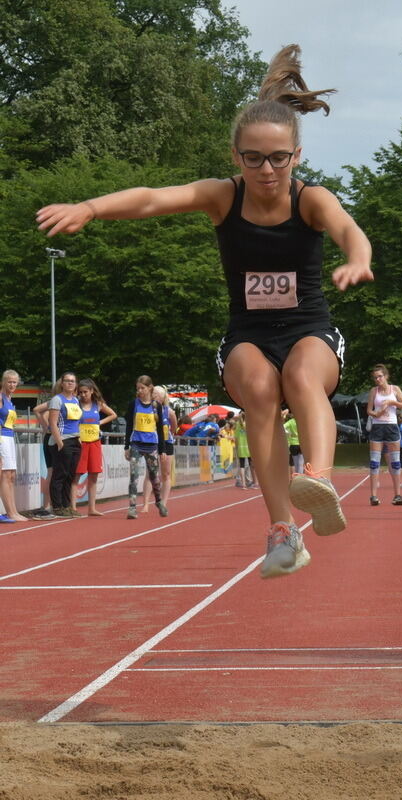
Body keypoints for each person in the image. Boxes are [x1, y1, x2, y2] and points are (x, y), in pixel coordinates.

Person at [37, 44, 373, 578]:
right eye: (253, 158)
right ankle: (283, 531)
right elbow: (153, 198)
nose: (267, 169)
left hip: (310, 328)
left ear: (297, 156)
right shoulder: (224, 197)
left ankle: (319, 479)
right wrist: (91, 207)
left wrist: (358, 259)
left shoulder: (310, 198)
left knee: (301, 375)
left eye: (279, 158)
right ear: (236, 157)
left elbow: (348, 229)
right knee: (259, 391)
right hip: (247, 333)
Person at [124, 375, 167, 520]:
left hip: (152, 446)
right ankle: (132, 507)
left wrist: (162, 450)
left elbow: (160, 429)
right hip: (136, 444)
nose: (140, 391)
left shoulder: (157, 406)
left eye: (142, 388)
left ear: (150, 388)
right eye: (138, 388)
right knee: (134, 476)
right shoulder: (133, 404)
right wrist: (126, 446)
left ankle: (159, 501)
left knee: (154, 477)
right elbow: (129, 426)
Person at [366, 364, 402, 507]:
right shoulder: (374, 391)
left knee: (395, 462)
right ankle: (373, 496)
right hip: (377, 427)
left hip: (391, 427)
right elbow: (369, 410)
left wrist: (392, 402)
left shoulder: (395, 389)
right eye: (375, 377)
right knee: (374, 463)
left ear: (386, 376)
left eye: (380, 376)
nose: (377, 379)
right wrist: (376, 413)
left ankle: (397, 495)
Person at [72, 378, 117, 516]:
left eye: (85, 392)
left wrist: (99, 423)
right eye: (80, 392)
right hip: (80, 444)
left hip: (95, 443)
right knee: (76, 475)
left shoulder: (98, 404)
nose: (83, 395)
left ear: (91, 391)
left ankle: (92, 508)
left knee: (94, 475)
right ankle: (73, 508)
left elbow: (113, 415)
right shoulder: (76, 404)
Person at [48, 372, 82, 517]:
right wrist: (60, 443)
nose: (70, 383)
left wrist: (79, 439)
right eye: (67, 381)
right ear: (62, 383)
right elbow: (52, 423)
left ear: (76, 384)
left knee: (70, 475)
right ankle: (57, 506)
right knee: (60, 474)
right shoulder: (57, 400)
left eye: (72, 381)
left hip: (75, 440)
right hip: (62, 440)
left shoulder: (76, 400)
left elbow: (78, 421)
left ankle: (66, 506)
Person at [142, 385, 177, 513]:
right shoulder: (146, 409)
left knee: (166, 474)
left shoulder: (169, 411)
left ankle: (163, 503)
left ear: (163, 398)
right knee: (150, 473)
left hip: (166, 444)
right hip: (152, 443)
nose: (154, 396)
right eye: (153, 394)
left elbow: (174, 426)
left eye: (157, 394)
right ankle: (145, 504)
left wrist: (169, 434)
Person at [0, 370, 28, 522]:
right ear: (3, 382)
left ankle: (14, 510)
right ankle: (10, 512)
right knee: (5, 475)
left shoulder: (10, 399)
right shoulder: (0, 397)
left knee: (11, 475)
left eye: (14, 382)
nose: (12, 385)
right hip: (2, 438)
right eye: (9, 382)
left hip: (10, 437)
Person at [283, 410, 304, 475]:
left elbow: (283, 427)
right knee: (301, 463)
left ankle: (297, 476)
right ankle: (300, 476)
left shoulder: (291, 421)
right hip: (301, 443)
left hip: (293, 444)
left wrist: (289, 433)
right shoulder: (301, 421)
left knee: (295, 463)